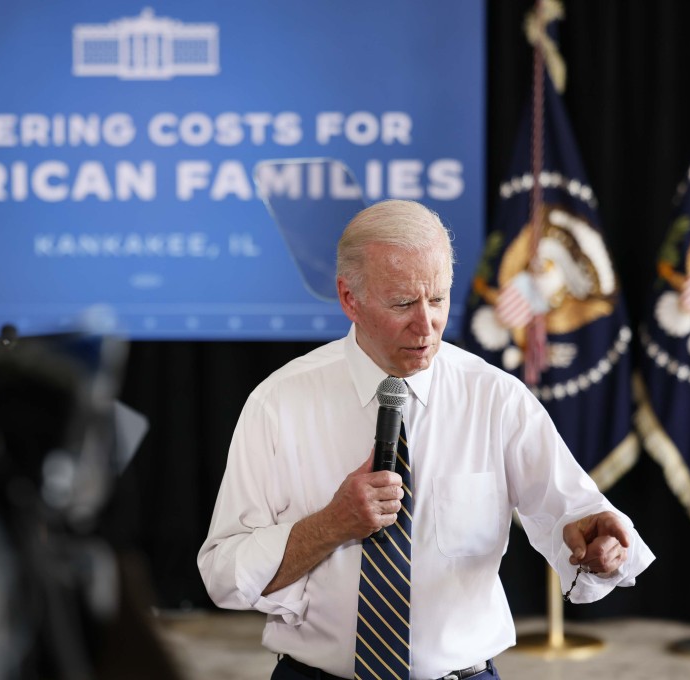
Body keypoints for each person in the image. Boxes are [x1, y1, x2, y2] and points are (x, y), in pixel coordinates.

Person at [197, 199, 655, 680]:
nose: (427, 325)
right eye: (402, 304)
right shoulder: (278, 403)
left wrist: (602, 545)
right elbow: (224, 576)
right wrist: (332, 524)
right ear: (349, 298)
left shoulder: (495, 398)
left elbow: (579, 519)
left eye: (438, 300)